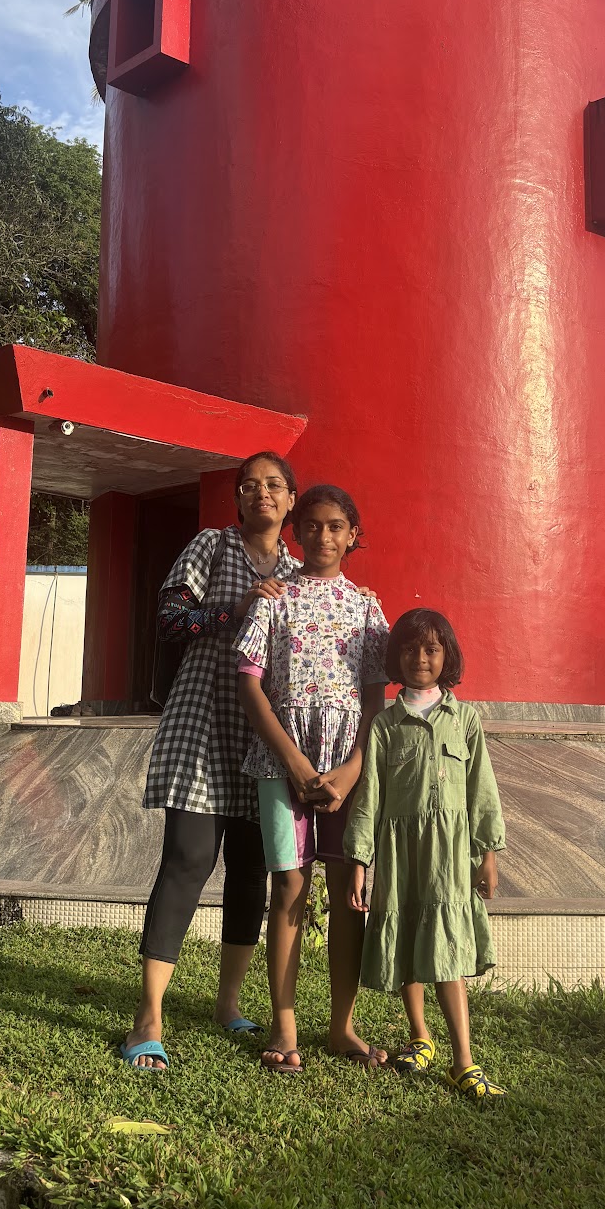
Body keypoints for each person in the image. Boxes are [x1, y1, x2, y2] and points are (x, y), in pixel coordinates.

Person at [119, 452, 301, 1072]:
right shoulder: (212, 547)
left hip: (262, 736)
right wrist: (237, 609)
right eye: (249, 487)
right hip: (202, 722)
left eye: (273, 485)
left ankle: (228, 1003)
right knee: (188, 860)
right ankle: (149, 1014)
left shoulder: (301, 574)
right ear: (238, 500)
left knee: (252, 871)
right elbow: (171, 619)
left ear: (291, 500)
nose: (261, 495)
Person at [235, 484, 390, 1074]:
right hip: (282, 765)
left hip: (349, 768)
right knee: (289, 889)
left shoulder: (366, 607)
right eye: (314, 526)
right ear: (297, 533)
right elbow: (251, 686)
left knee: (349, 897)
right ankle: (283, 1021)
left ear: (353, 535)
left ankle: (342, 1026)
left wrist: (351, 770)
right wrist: (297, 763)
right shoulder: (273, 601)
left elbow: (376, 701)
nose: (324, 537)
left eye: (336, 527)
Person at [345, 607, 508, 1099]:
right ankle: (421, 1036)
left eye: (432, 649)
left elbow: (483, 789)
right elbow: (368, 794)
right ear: (397, 656)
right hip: (398, 852)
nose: (421, 658)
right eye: (411, 649)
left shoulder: (465, 720)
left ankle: (464, 1060)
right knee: (407, 939)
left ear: (447, 657)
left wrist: (488, 853)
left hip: (450, 856)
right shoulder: (386, 726)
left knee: (446, 952)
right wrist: (358, 861)